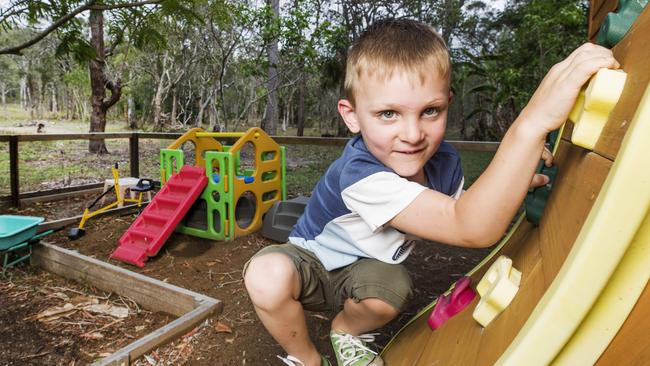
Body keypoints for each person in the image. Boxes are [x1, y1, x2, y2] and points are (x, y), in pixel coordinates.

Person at [243, 18, 619, 366]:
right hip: (313, 262)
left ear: (447, 105)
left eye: (430, 111)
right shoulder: (360, 174)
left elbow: (460, 206)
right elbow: (471, 226)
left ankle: (346, 331)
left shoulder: (444, 160)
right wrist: (531, 123)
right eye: (388, 113)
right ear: (352, 115)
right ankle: (307, 359)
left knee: (394, 288)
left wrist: (516, 183)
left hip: (366, 269)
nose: (412, 134)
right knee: (266, 275)